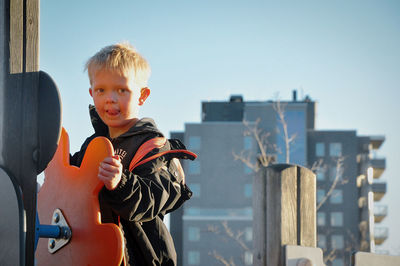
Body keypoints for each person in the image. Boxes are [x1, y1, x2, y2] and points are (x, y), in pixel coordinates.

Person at [69, 42, 196, 265]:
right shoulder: (93, 145)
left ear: (142, 96)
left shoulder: (152, 146)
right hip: (96, 253)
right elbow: (71, 182)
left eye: (121, 90)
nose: (110, 98)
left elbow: (154, 198)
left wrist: (121, 183)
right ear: (91, 93)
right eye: (101, 90)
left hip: (139, 257)